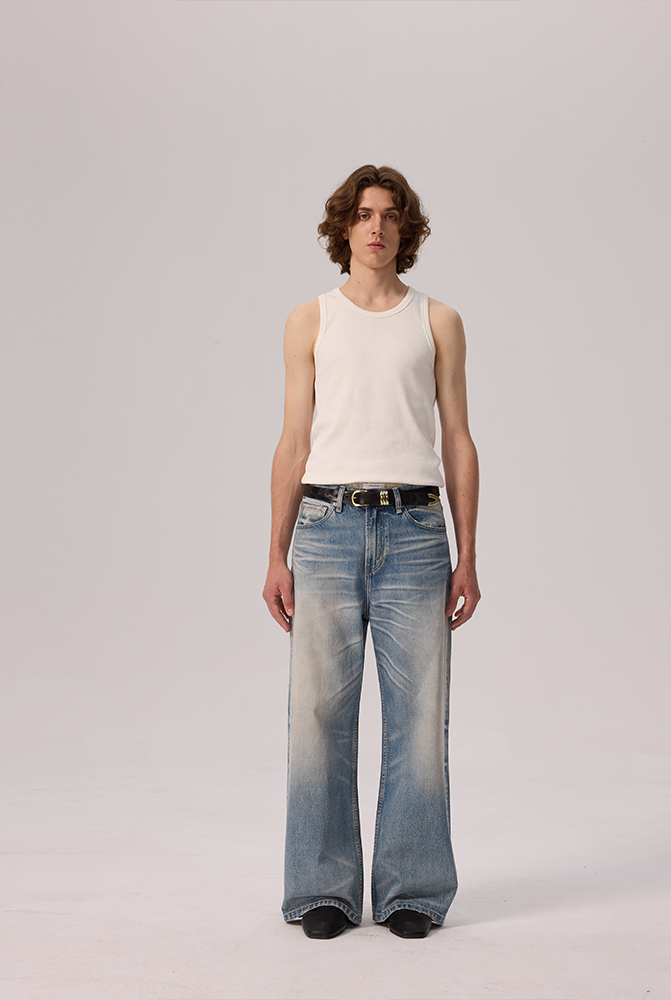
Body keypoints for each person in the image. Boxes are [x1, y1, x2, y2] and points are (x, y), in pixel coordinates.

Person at [262, 164, 480, 940]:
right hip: (326, 530)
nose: (376, 226)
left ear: (405, 229)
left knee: (419, 720)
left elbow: (458, 439)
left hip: (417, 533)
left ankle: (411, 889)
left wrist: (467, 553)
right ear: (343, 228)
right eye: (362, 214)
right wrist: (277, 552)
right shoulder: (310, 320)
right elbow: (294, 441)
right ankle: (321, 888)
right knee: (317, 718)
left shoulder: (438, 320)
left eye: (389, 214)